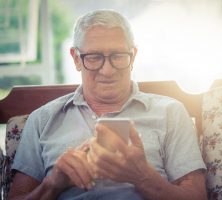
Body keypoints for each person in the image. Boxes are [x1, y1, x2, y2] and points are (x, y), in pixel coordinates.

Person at [8, 9, 207, 200]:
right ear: (76, 59)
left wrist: (143, 176)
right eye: (94, 57)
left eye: (118, 56)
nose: (108, 70)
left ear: (133, 56)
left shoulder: (170, 113)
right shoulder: (42, 120)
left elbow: (197, 197)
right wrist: (52, 184)